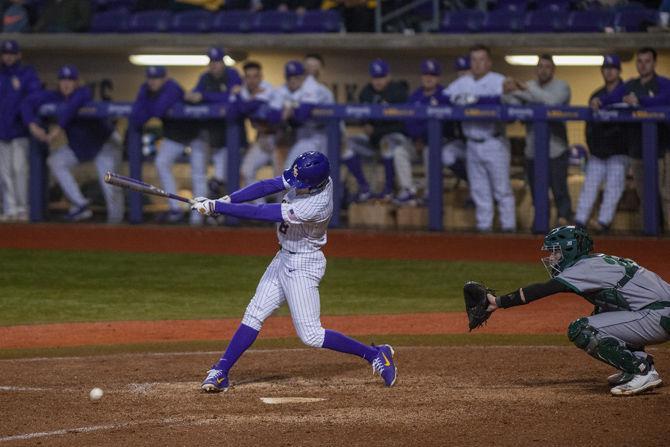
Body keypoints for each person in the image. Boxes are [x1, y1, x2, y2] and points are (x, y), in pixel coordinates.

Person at [190, 151, 398, 391]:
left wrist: (218, 207)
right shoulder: (310, 175)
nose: (294, 183)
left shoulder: (316, 205)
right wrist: (227, 200)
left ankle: (375, 354)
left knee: (311, 335)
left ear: (315, 184)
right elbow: (269, 185)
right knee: (254, 313)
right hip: (283, 257)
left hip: (303, 265)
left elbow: (261, 213)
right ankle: (221, 371)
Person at [478, 225, 669, 396]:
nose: (551, 258)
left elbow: (544, 289)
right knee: (602, 312)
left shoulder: (584, 267)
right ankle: (637, 363)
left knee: (582, 329)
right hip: (659, 313)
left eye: (556, 252)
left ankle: (642, 370)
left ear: (570, 250)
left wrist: (498, 302)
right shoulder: (597, 261)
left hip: (656, 316)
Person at [22, 65, 124, 223]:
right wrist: (32, 125)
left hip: (104, 144)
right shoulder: (55, 95)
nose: (66, 83)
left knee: (110, 186)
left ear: (77, 82)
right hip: (80, 146)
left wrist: (57, 130)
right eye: (63, 79)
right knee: (55, 161)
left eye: (70, 79)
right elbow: (27, 102)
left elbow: (73, 107)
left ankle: (116, 226)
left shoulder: (84, 92)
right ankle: (80, 204)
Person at [594, 47, 670, 232]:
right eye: (640, 61)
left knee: (666, 194)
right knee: (645, 196)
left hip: (662, 149)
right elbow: (611, 98)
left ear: (654, 63)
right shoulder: (630, 85)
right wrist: (598, 101)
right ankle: (651, 236)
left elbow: (666, 98)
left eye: (647, 61)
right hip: (637, 150)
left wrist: (640, 101)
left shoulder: (662, 83)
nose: (643, 65)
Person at [443, 44, 516, 232]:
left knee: (502, 191)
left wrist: (474, 101)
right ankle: (484, 231)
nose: (477, 64)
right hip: (472, 144)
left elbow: (509, 108)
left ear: (489, 62)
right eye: (473, 60)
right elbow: (443, 97)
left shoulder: (499, 81)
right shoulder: (463, 82)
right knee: (479, 191)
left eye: (481, 59)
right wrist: (460, 100)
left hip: (494, 142)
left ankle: (509, 230)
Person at [502, 54, 572, 227]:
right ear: (536, 69)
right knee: (536, 191)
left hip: (556, 149)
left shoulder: (562, 86)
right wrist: (506, 91)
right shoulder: (529, 86)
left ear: (553, 70)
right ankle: (541, 223)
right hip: (532, 149)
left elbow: (551, 102)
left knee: (560, 191)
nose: (544, 70)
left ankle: (565, 225)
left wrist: (524, 89)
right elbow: (512, 104)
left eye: (548, 66)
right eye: (540, 66)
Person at [129, 66, 196, 224]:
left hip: (195, 135)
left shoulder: (172, 87)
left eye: (156, 78)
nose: (152, 81)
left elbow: (158, 110)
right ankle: (175, 208)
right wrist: (147, 107)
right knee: (161, 163)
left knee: (198, 173)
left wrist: (146, 106)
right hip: (174, 136)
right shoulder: (146, 88)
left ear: (165, 78)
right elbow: (136, 116)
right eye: (150, 78)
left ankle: (200, 215)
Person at [574, 55, 629, 233]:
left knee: (614, 188)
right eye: (606, 68)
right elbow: (589, 127)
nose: (609, 71)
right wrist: (593, 147)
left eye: (612, 68)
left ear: (619, 70)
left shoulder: (626, 93)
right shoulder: (596, 95)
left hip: (619, 152)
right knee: (589, 187)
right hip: (598, 152)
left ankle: (604, 223)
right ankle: (580, 222)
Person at [342, 59, 410, 202]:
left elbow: (403, 124)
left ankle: (389, 190)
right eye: (375, 78)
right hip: (373, 140)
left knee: (386, 141)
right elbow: (361, 116)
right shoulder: (366, 92)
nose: (378, 81)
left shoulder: (398, 91)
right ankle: (364, 186)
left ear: (388, 76)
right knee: (345, 144)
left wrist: (377, 129)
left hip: (395, 139)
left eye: (381, 77)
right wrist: (365, 123)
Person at [183, 47, 242, 203]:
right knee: (201, 174)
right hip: (208, 132)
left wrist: (204, 96)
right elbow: (194, 94)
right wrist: (194, 95)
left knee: (224, 179)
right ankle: (205, 212)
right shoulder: (205, 77)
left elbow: (232, 98)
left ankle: (227, 215)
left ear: (223, 62)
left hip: (229, 137)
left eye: (217, 61)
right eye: (212, 61)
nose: (214, 65)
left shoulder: (233, 75)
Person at [405, 59, 468, 205]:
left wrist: (423, 138)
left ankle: (430, 193)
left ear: (438, 77)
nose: (428, 78)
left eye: (432, 75)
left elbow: (445, 126)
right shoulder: (414, 96)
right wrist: (416, 139)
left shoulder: (445, 96)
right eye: (426, 74)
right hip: (416, 142)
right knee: (399, 151)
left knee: (431, 151)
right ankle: (407, 190)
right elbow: (408, 122)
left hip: (439, 142)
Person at [0, 39, 40, 222]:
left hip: (19, 130)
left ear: (18, 55)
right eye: (5, 53)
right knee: (4, 172)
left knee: (19, 170)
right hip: (2, 130)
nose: (7, 57)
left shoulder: (27, 73)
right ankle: (10, 209)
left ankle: (23, 208)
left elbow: (33, 98)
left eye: (11, 53)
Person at [272, 61, 333, 170]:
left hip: (322, 133)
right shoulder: (287, 89)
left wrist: (290, 111)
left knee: (292, 170)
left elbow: (302, 114)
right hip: (303, 134)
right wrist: (288, 112)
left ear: (303, 76)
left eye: (296, 77)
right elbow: (271, 115)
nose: (293, 81)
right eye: (289, 78)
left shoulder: (312, 86)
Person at [236, 61, 280, 187]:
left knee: (283, 179)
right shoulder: (245, 91)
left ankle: (283, 207)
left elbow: (246, 108)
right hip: (263, 137)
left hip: (282, 138)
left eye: (255, 76)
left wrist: (239, 98)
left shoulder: (268, 89)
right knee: (246, 171)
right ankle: (261, 206)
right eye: (248, 77)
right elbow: (238, 109)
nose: (252, 80)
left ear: (261, 77)